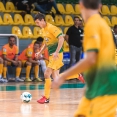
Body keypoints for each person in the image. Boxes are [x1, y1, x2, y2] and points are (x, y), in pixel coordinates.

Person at [52, 0, 117, 117]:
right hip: (96, 85)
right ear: (100, 6)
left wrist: (63, 76)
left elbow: (90, 59)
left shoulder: (93, 25)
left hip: (104, 87)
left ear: (80, 6)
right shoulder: (104, 26)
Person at [34, 13, 64, 104]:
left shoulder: (51, 27)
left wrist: (57, 51)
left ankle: (46, 97)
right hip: (52, 55)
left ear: (43, 20)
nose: (37, 25)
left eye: (38, 22)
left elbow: (61, 38)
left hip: (57, 54)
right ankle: (76, 75)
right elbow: (46, 43)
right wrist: (40, 52)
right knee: (56, 77)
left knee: (46, 74)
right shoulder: (43, 30)